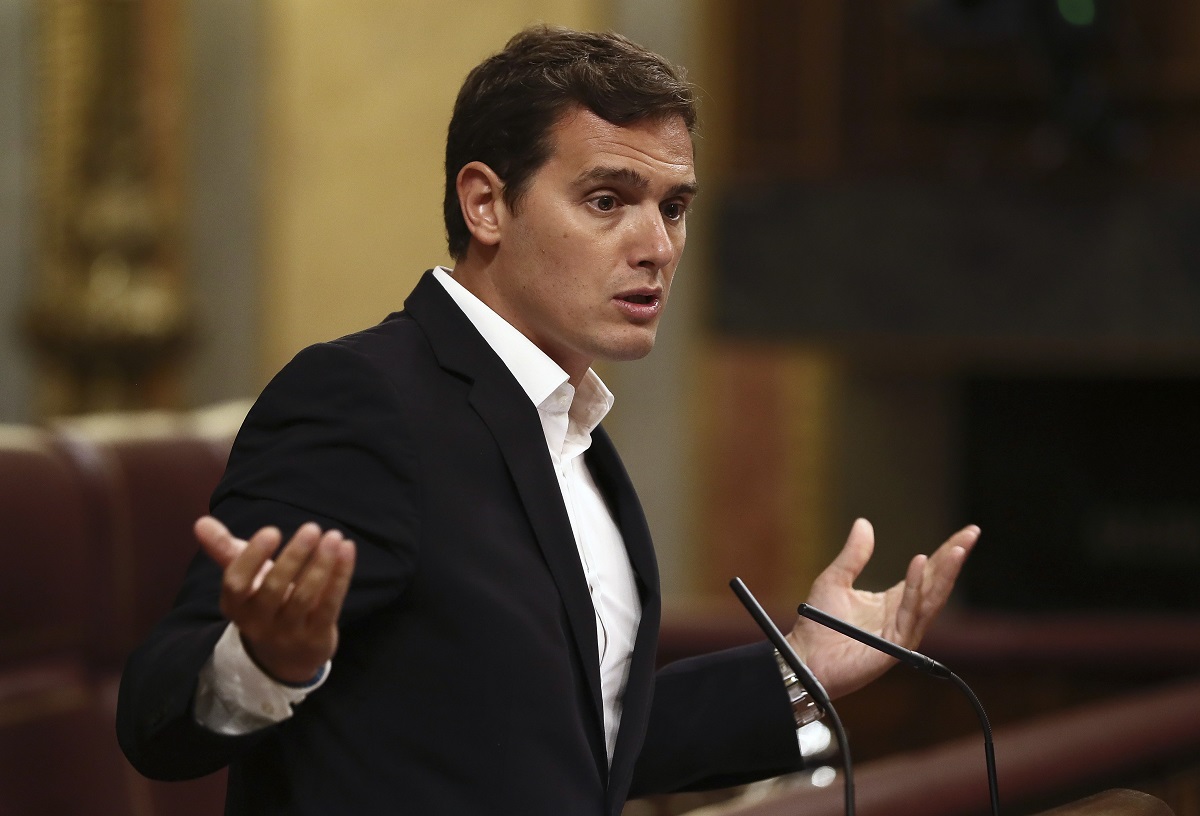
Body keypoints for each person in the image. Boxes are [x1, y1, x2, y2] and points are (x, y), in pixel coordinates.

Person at [116, 25, 979, 815]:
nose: (657, 245)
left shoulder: (575, 435)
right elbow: (156, 716)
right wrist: (265, 660)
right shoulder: (363, 398)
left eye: (673, 207)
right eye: (608, 199)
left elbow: (578, 747)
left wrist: (803, 674)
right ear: (486, 204)